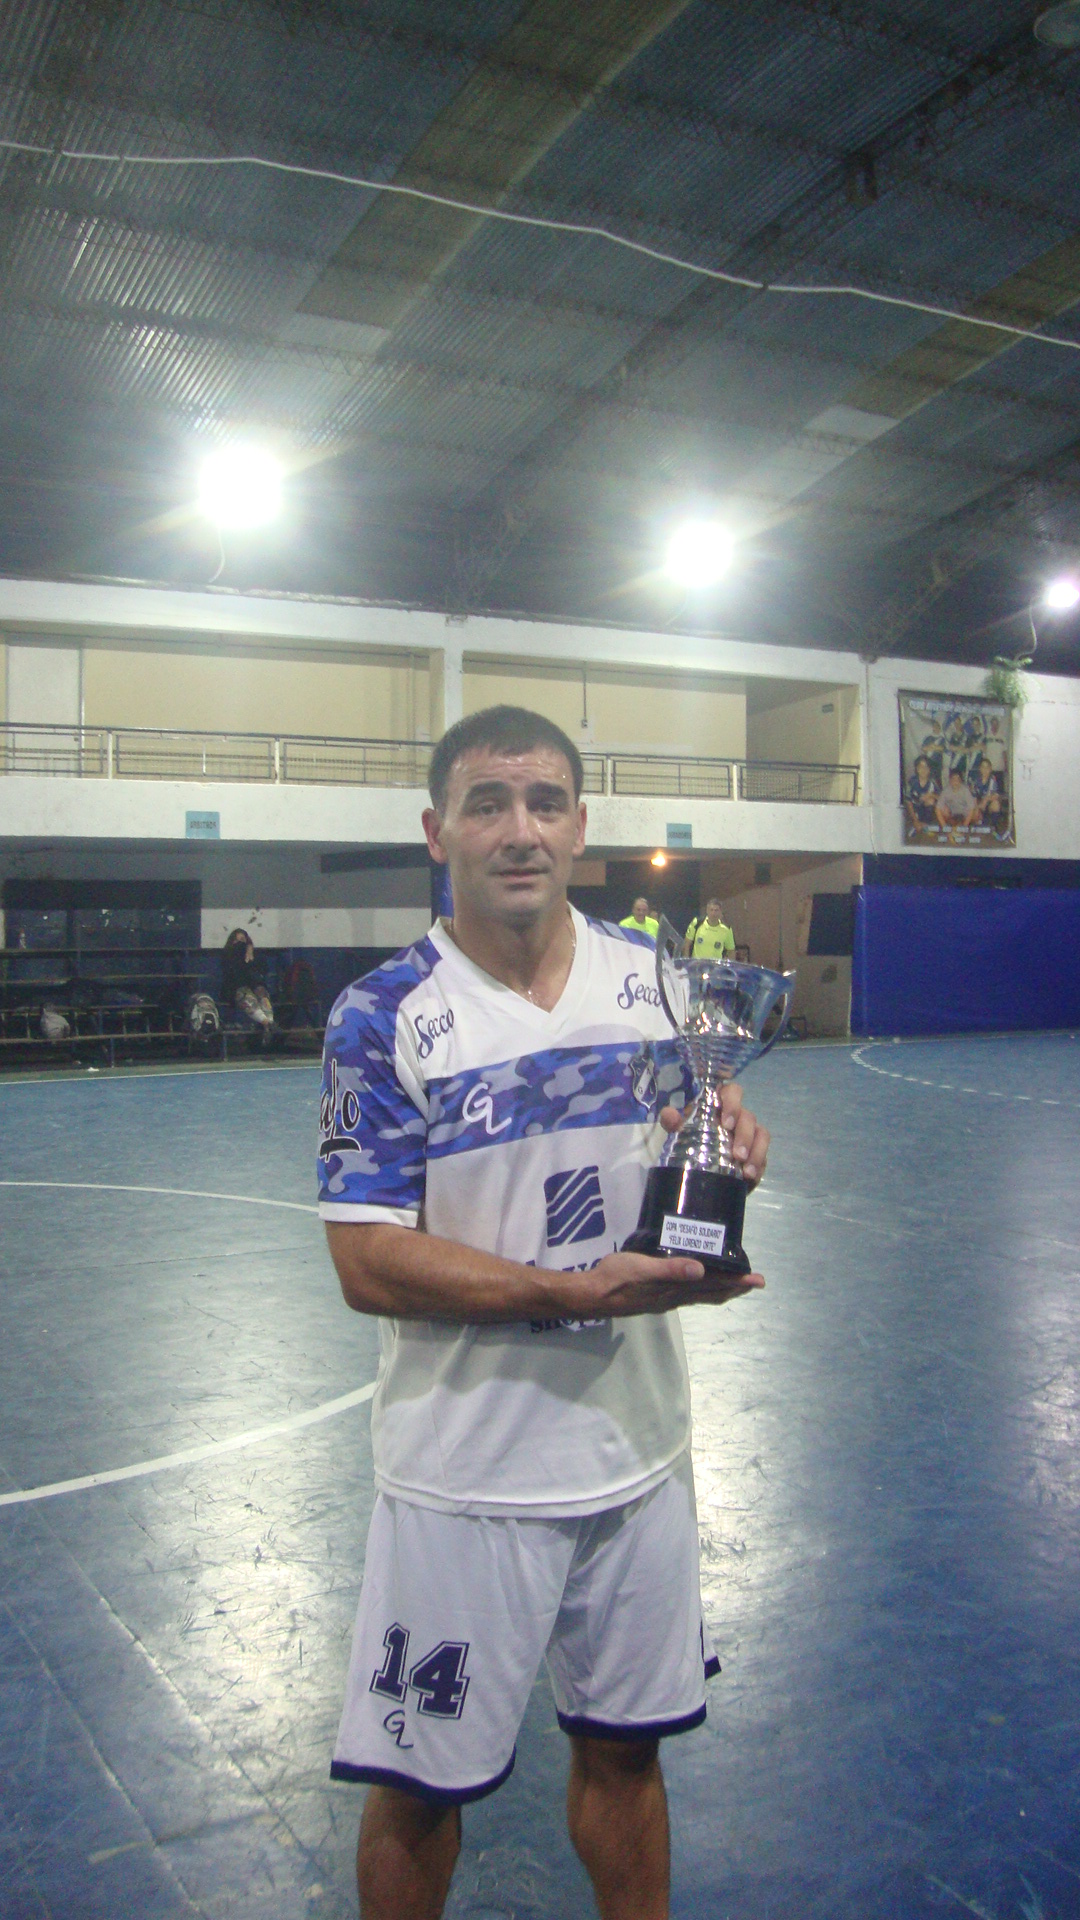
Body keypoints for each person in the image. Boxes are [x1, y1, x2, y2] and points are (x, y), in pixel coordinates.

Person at [318, 705, 770, 1920]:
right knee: (417, 1794)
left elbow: (688, 1138)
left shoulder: (656, 980)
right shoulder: (382, 1014)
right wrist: (571, 1296)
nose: (520, 830)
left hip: (638, 1457)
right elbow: (367, 1260)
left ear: (580, 828)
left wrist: (724, 1152)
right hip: (464, 1479)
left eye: (546, 803)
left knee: (628, 1760)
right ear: (437, 833)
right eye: (488, 803)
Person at [221, 928, 274, 1036]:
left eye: (243, 940)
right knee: (248, 998)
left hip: (253, 986)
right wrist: (241, 952)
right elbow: (233, 975)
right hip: (236, 989)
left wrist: (251, 955)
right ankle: (266, 1023)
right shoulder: (228, 955)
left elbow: (262, 970)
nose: (240, 944)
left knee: (262, 994)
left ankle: (270, 1022)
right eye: (237, 941)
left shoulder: (254, 954)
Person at [935, 768, 977, 835]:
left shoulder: (965, 790)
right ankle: (948, 826)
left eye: (958, 779)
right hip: (952, 814)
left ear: (961, 780)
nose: (955, 782)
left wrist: (964, 826)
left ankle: (973, 827)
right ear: (950, 780)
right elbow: (937, 809)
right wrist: (945, 827)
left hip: (964, 813)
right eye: (953, 779)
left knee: (976, 812)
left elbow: (971, 808)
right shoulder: (945, 791)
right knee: (943, 809)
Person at [905, 754, 940, 831]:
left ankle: (926, 823)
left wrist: (931, 794)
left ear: (929, 769)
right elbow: (908, 802)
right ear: (917, 769)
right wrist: (915, 820)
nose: (923, 770)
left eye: (926, 767)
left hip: (926, 810)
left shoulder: (932, 781)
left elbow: (940, 798)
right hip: (914, 811)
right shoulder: (912, 782)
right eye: (921, 767)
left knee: (931, 800)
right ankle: (916, 823)